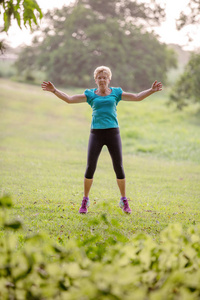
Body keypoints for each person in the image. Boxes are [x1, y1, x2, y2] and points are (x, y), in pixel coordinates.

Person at [41, 66, 162, 214]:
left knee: (119, 167)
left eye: (105, 77)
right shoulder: (90, 94)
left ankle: (124, 200)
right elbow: (69, 99)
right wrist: (54, 90)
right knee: (90, 167)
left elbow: (136, 97)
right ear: (96, 80)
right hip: (96, 133)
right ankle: (85, 200)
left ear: (109, 79)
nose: (102, 79)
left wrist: (151, 90)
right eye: (99, 77)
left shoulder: (116, 93)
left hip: (113, 133)